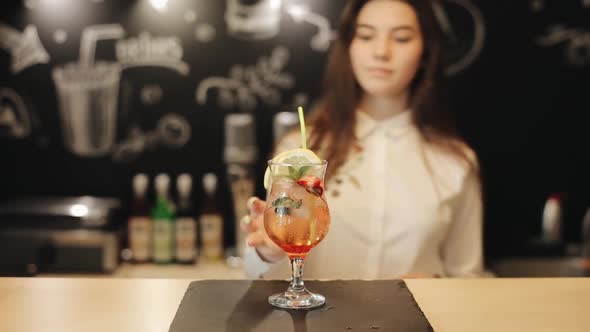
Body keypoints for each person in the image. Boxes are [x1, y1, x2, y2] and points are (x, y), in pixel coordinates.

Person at [241, 0, 485, 279]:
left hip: (417, 322)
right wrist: (267, 252)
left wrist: (438, 288)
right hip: (319, 322)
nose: (381, 52)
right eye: (367, 36)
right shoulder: (301, 151)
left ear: (425, 52)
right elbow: (252, 273)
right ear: (349, 47)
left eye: (401, 38)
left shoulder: (456, 162)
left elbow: (469, 278)